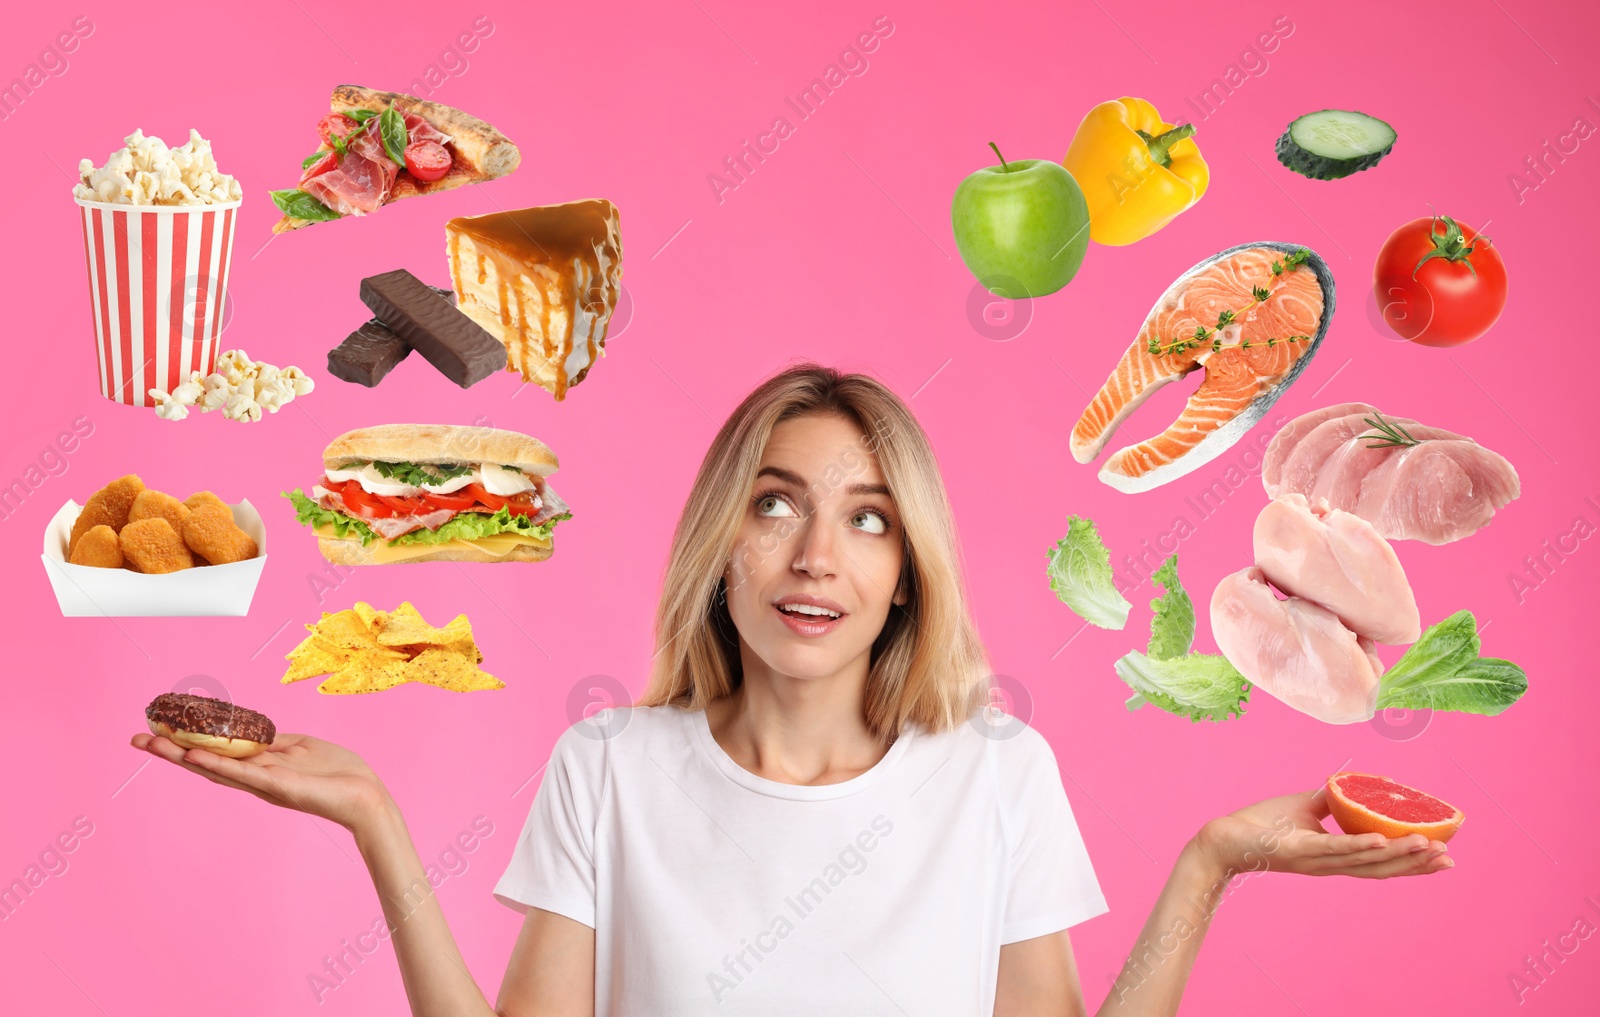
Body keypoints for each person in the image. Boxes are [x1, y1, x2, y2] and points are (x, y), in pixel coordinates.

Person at [131, 365, 1452, 1015]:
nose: (818, 554)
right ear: (724, 541)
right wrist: (376, 816)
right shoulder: (611, 768)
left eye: (870, 520)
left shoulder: (996, 774)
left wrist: (1209, 863)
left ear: (909, 569)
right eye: (778, 505)